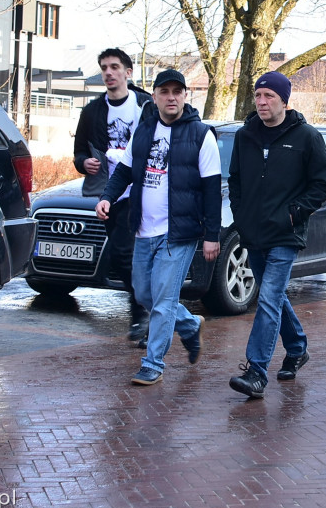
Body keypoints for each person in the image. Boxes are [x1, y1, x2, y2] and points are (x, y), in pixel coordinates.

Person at [95, 68, 221, 385]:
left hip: (177, 234)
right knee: (144, 293)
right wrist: (107, 197)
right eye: (164, 92)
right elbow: (123, 172)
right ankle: (190, 326)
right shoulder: (144, 132)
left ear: (185, 96)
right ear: (155, 97)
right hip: (142, 230)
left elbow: (211, 190)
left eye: (177, 92)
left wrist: (212, 236)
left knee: (163, 301)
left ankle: (153, 364)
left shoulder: (201, 135)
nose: (171, 97)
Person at [227, 71, 326, 399]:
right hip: (253, 233)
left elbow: (322, 186)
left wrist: (293, 214)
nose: (261, 102)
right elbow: (236, 181)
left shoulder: (307, 138)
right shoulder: (245, 137)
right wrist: (241, 217)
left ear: (284, 100)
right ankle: (298, 347)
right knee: (275, 298)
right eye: (258, 96)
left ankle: (256, 371)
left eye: (268, 96)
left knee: (269, 297)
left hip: (286, 234)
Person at [73, 48, 153, 342]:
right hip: (111, 194)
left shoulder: (145, 104)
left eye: (114, 67)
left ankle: (142, 315)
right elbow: (79, 151)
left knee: (129, 253)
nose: (108, 72)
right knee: (123, 258)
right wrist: (84, 163)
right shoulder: (92, 111)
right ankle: (146, 310)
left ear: (127, 73)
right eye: (104, 67)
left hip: (144, 191)